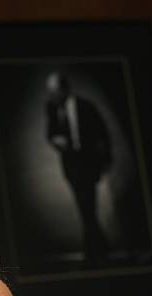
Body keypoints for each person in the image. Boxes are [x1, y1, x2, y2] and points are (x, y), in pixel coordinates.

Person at [46, 72, 112, 262]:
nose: (52, 96)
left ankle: (93, 249)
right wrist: (56, 140)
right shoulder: (51, 108)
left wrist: (106, 160)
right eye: (50, 92)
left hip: (89, 161)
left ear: (64, 89)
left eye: (55, 91)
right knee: (84, 205)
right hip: (70, 164)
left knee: (88, 204)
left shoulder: (85, 106)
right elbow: (50, 133)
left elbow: (102, 132)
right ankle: (98, 247)